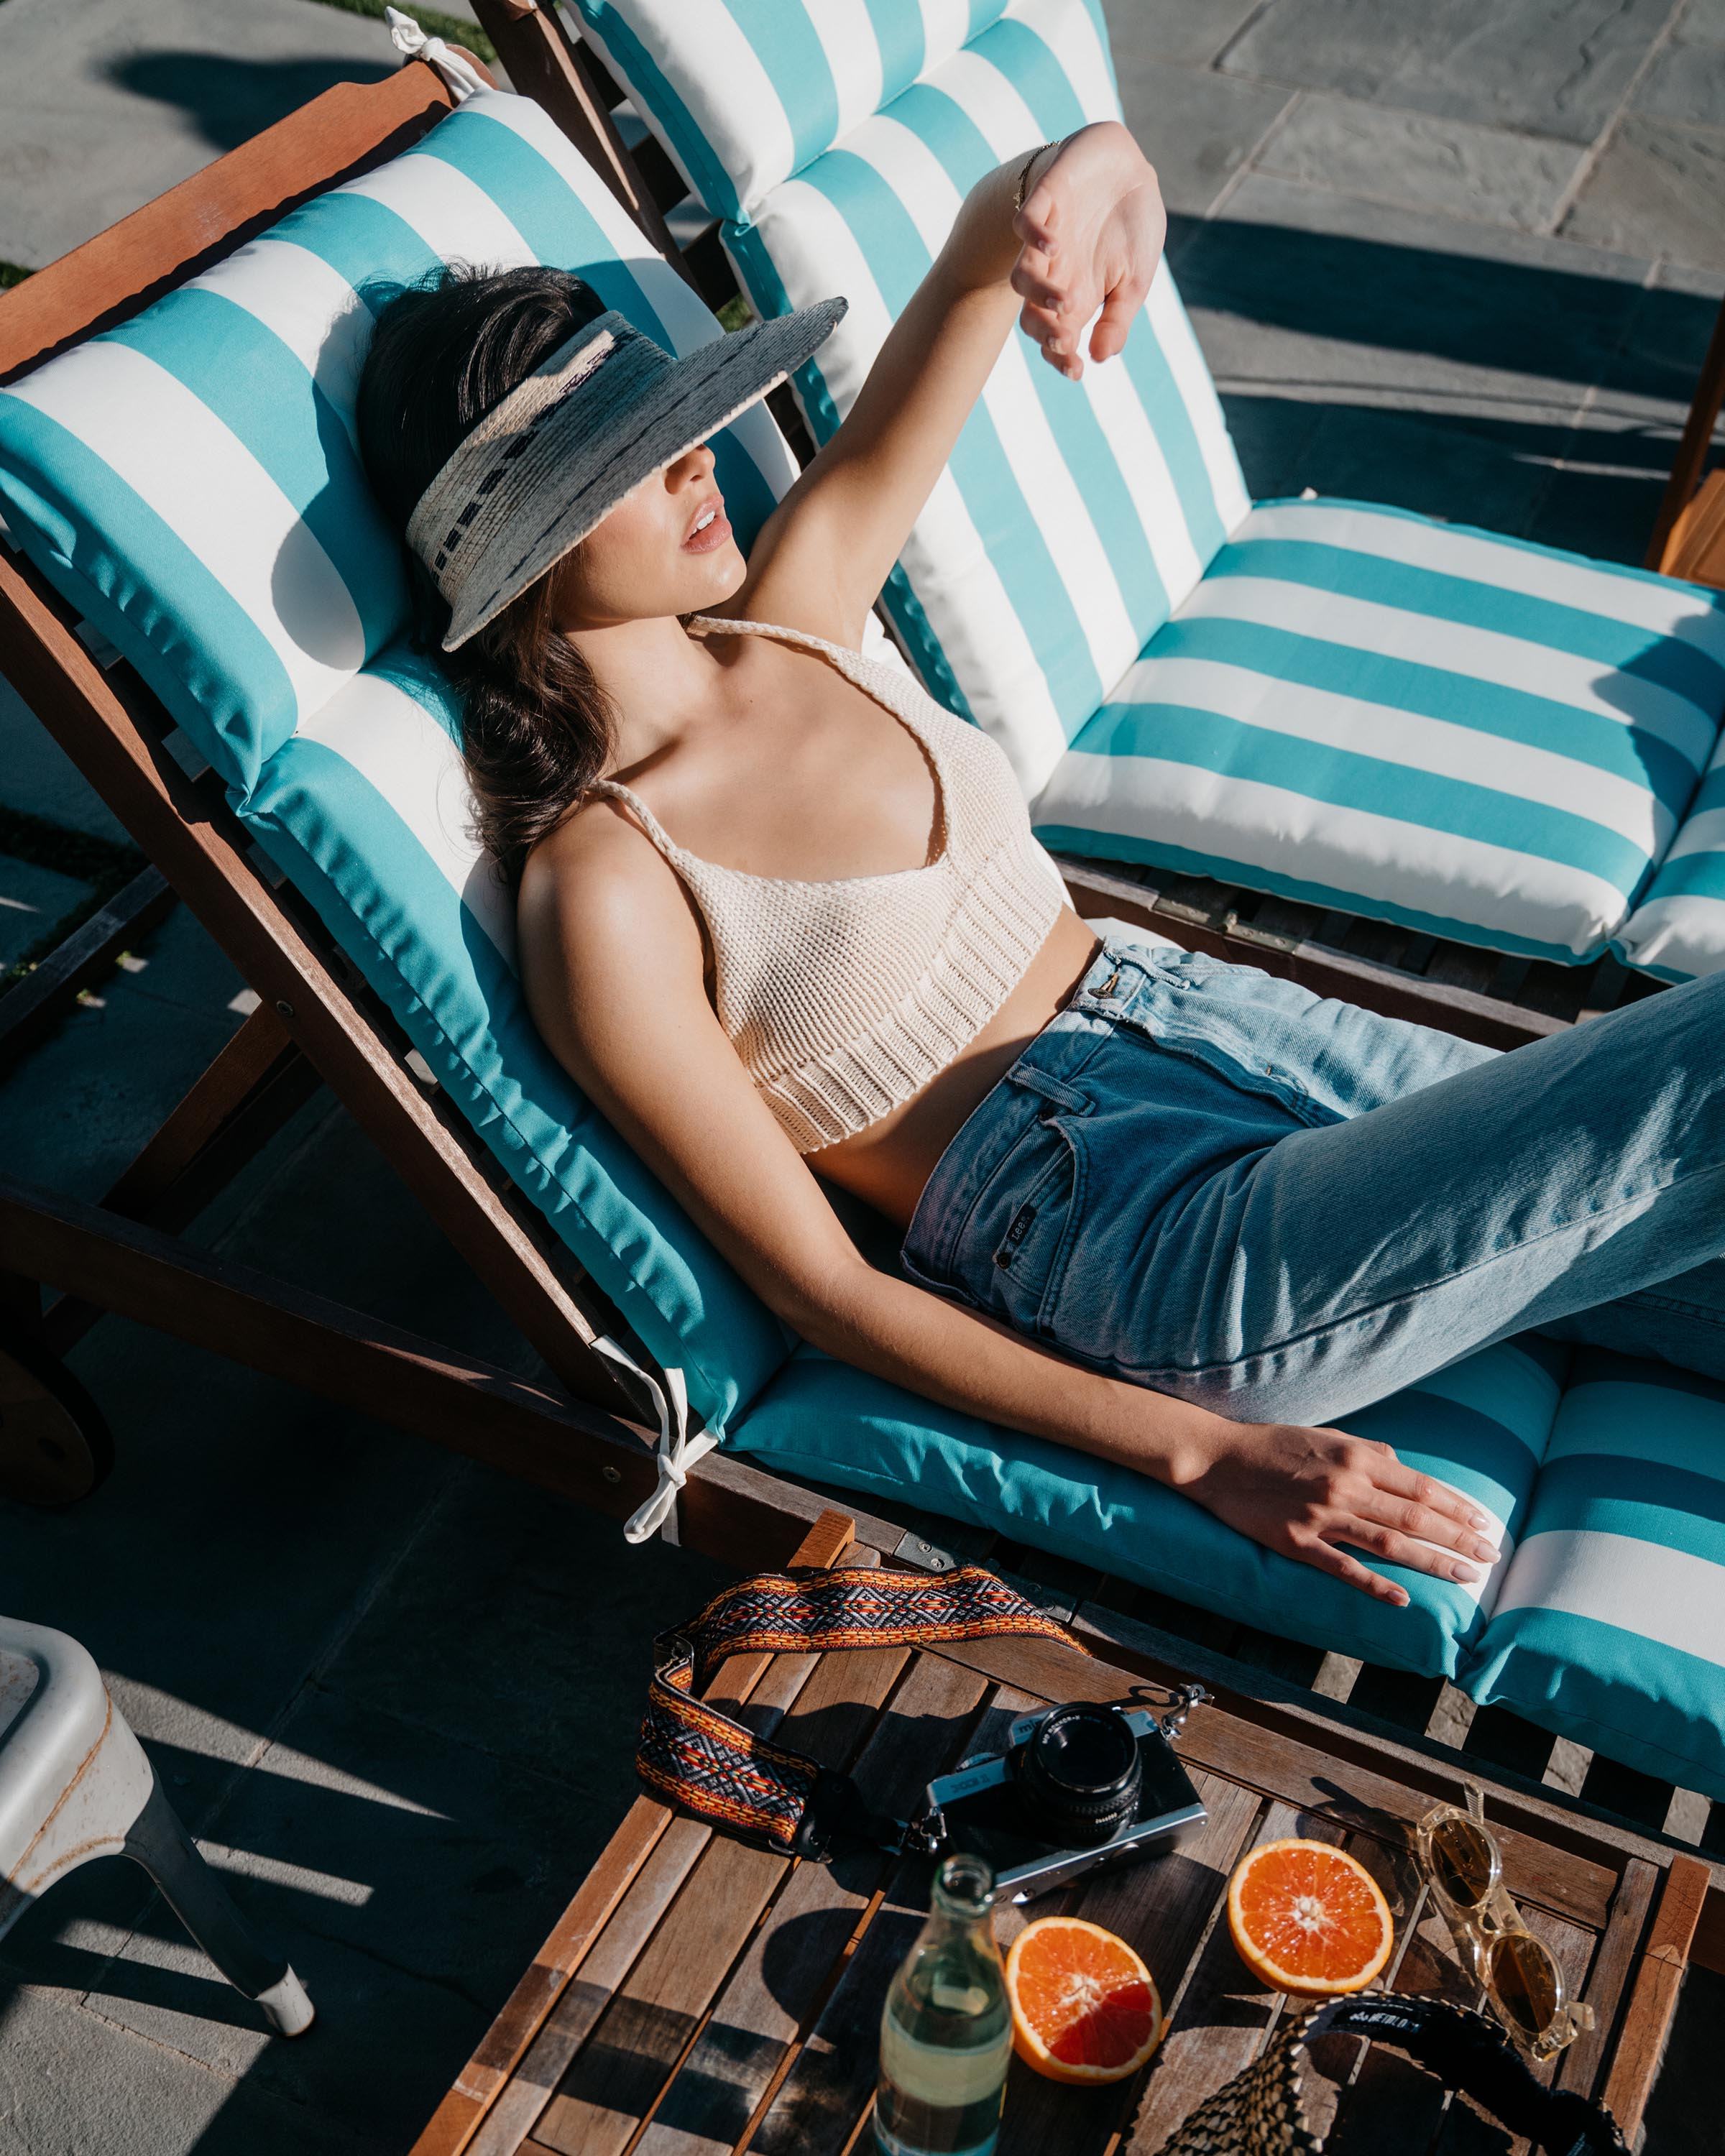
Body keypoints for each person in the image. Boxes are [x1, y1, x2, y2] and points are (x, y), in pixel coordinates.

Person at [358, 123, 1725, 1611]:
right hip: (1163, 1247)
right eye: (630, 455)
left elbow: (982, 259)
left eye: (675, 416)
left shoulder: (797, 609)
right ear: (525, 547)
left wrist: (1109, 167)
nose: (699, 454)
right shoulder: (607, 888)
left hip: (1249, 1039)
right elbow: (824, 1287)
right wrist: (1199, 1456)